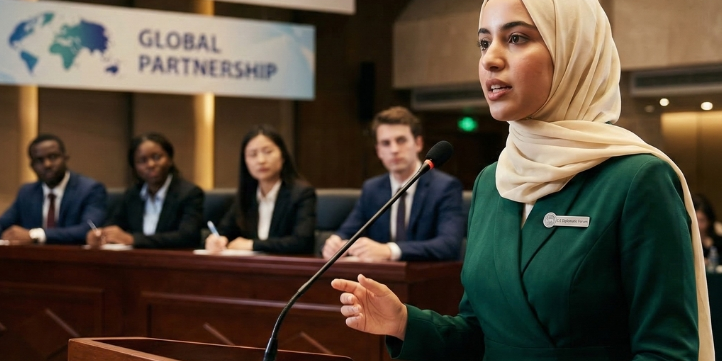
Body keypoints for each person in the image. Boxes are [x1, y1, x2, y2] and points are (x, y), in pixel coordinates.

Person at [331, 0, 718, 361]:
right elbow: (484, 335)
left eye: (516, 38)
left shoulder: (638, 179)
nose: (491, 60)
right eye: (483, 42)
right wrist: (403, 323)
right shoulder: (494, 182)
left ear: (573, 50)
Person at [321, 107, 464, 262]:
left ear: (418, 143)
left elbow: (448, 245)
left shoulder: (445, 187)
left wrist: (390, 251)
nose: (394, 150)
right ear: (378, 151)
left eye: (401, 140)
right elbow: (348, 231)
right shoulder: (372, 188)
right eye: (385, 143)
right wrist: (335, 242)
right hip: (379, 278)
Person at [0, 134, 106, 245]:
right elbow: (3, 223)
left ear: (65, 158)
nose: (47, 164)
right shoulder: (27, 192)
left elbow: (89, 229)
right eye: (39, 160)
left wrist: (34, 235)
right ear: (32, 166)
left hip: (76, 264)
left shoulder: (90, 189)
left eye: (53, 157)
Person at [205, 125, 316, 254]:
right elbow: (224, 231)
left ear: (283, 156)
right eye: (252, 154)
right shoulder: (247, 194)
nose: (261, 160)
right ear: (245, 161)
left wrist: (252, 244)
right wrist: (217, 240)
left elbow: (301, 242)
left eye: (268, 152)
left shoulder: (302, 194)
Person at [88, 133, 204, 249]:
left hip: (174, 261)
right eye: (142, 161)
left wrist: (133, 239)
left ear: (169, 159)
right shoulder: (132, 194)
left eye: (157, 157)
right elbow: (115, 224)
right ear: (134, 167)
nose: (150, 164)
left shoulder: (189, 194)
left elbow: (187, 237)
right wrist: (101, 235)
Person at [694, 194, 722, 268]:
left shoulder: (720, 241)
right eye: (695, 220)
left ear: (709, 221)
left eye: (702, 220)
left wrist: (709, 248)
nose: (698, 225)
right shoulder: (686, 242)